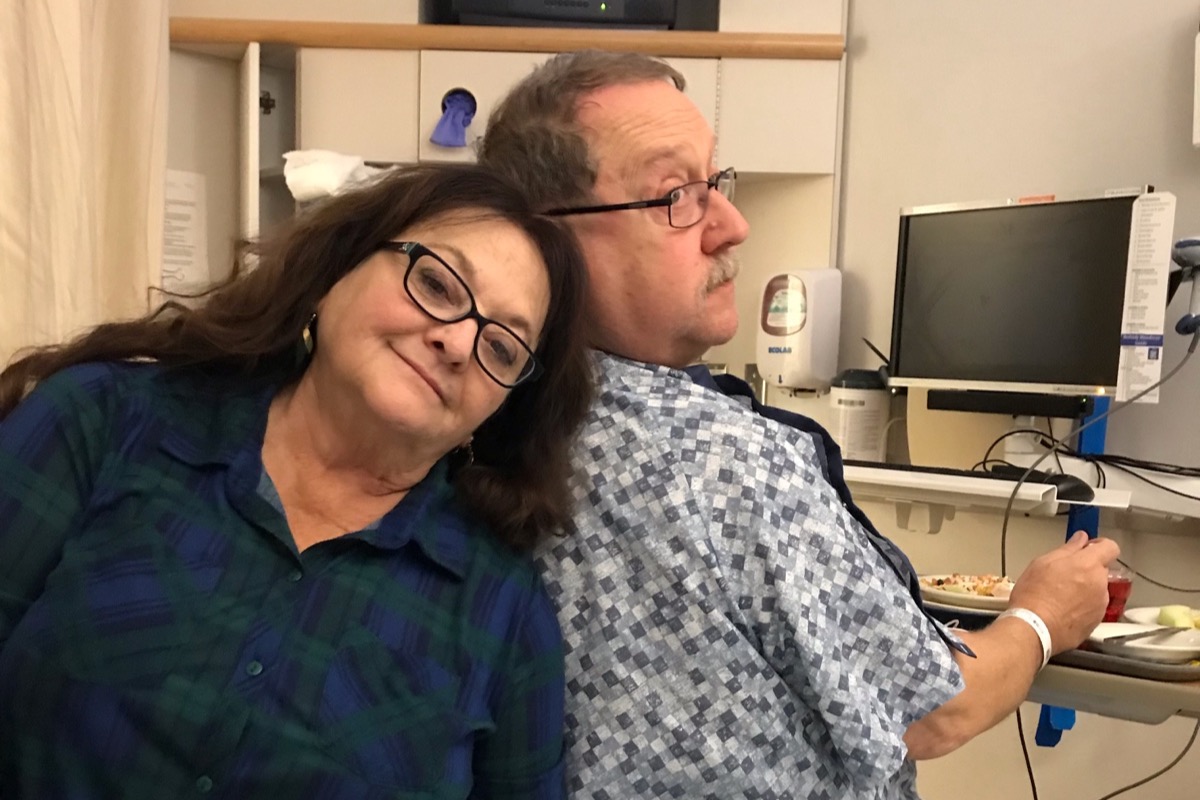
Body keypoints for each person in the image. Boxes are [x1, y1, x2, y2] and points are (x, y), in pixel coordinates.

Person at [479, 50, 1120, 799]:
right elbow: (935, 712)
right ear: (548, 239)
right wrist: (1043, 616)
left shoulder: (491, 420)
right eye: (676, 195)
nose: (732, 225)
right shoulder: (724, 461)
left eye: (715, 182)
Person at [0, 164, 594, 799]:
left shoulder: (503, 614)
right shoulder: (101, 422)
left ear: (501, 407)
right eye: (436, 284)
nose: (456, 341)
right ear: (335, 272)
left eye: (501, 348)